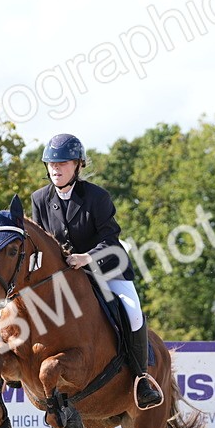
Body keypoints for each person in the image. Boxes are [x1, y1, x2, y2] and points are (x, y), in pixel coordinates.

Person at [29, 133, 162, 410]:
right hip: (62, 276)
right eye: (52, 163)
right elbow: (39, 243)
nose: (56, 168)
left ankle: (141, 378)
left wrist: (86, 258)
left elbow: (111, 239)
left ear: (78, 165)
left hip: (106, 269)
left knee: (132, 310)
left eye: (63, 163)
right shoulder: (40, 199)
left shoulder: (96, 197)